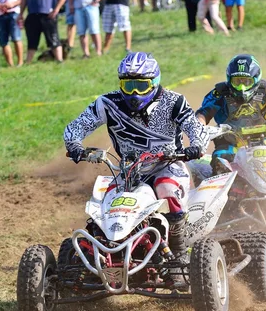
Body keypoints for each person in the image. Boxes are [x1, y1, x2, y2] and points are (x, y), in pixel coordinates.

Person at [64, 52, 210, 276]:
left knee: (167, 190)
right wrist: (75, 146)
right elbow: (75, 128)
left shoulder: (174, 101)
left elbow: (196, 129)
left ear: (154, 82)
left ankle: (178, 257)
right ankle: (102, 253)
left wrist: (196, 146)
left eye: (141, 86)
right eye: (128, 85)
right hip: (129, 170)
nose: (134, 93)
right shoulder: (107, 103)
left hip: (169, 165)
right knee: (107, 202)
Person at [195, 54, 266, 174]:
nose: (241, 87)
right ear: (229, 80)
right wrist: (200, 127)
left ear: (256, 79)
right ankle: (225, 191)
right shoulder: (219, 93)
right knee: (220, 161)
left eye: (246, 81)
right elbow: (203, 113)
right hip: (228, 142)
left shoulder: (265, 90)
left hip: (262, 141)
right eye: (237, 81)